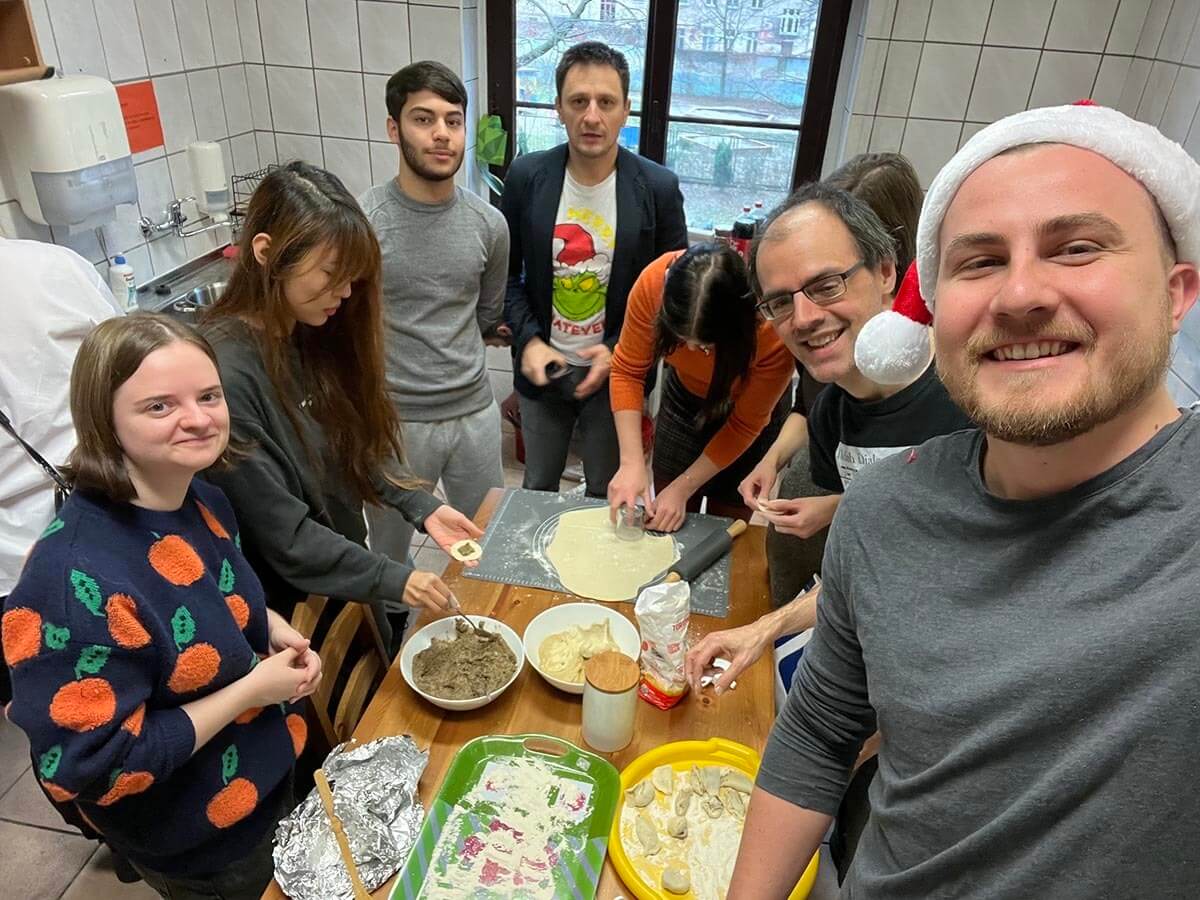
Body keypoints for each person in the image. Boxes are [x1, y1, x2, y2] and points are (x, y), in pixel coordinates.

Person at [730, 102, 1200, 898]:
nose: (1020, 294)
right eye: (979, 262)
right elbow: (818, 731)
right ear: (934, 300)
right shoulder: (883, 513)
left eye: (1077, 247)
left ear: (1177, 290)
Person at [3, 314, 321, 900]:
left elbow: (211, 594)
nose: (198, 419)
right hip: (204, 837)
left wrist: (264, 623)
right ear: (106, 421)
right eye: (159, 406)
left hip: (271, 769)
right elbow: (98, 767)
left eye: (209, 396)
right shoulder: (73, 585)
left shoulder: (198, 496)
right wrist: (253, 690)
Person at [200, 162, 482, 653]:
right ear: (266, 253)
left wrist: (422, 506)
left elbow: (350, 440)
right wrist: (397, 579)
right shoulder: (223, 378)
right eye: (332, 274)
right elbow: (285, 537)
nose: (346, 293)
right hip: (284, 616)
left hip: (339, 577)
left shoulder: (305, 329)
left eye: (352, 277)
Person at [502, 40, 688, 497]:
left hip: (618, 378)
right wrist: (528, 341)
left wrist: (619, 349)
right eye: (578, 101)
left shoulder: (658, 188)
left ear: (626, 110)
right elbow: (505, 277)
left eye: (606, 102)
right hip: (543, 372)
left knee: (607, 493)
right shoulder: (526, 177)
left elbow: (674, 295)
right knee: (537, 488)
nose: (592, 116)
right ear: (558, 109)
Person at [741, 153, 924, 607]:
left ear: (888, 269)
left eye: (828, 284)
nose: (805, 318)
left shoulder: (964, 394)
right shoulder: (831, 410)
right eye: (780, 301)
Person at [359, 61, 510, 565]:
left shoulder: (489, 224)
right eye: (424, 120)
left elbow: (486, 313)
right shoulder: (364, 223)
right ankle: (392, 637)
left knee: (484, 543)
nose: (442, 134)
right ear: (393, 129)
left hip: (473, 412)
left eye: (453, 120)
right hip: (394, 421)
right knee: (389, 554)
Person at [0, 240, 124, 703]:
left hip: (14, 569)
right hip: (114, 521)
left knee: (56, 717)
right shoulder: (54, 266)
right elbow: (134, 364)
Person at [606, 244, 793, 530]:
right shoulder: (654, 284)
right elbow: (627, 371)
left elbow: (745, 425)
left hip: (749, 420)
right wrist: (631, 461)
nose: (693, 349)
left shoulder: (772, 328)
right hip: (684, 402)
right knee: (664, 514)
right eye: (681, 339)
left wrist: (685, 487)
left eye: (706, 345)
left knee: (722, 526)